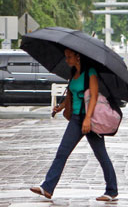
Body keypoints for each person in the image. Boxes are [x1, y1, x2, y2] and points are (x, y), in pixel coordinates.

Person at [30, 49, 118, 202]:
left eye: (69, 57)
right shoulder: (73, 73)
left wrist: (87, 119)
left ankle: (111, 190)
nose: (66, 60)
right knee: (62, 151)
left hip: (90, 119)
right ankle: (48, 187)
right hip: (76, 119)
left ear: (78, 57)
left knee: (100, 154)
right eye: (66, 57)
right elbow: (72, 94)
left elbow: (94, 96)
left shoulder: (90, 72)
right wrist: (62, 106)